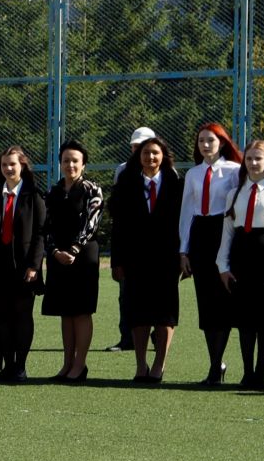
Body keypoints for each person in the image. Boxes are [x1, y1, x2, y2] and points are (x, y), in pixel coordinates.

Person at [216, 140, 264, 389]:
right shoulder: (235, 192)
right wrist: (223, 265)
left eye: (258, 159)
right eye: (248, 159)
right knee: (245, 319)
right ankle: (248, 372)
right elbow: (227, 230)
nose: (253, 163)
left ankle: (260, 371)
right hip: (241, 259)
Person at [108, 135, 184, 382]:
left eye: (155, 153)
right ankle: (141, 365)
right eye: (145, 153)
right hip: (135, 261)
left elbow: (185, 224)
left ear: (163, 156)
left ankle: (159, 366)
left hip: (167, 260)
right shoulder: (125, 185)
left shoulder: (176, 184)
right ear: (138, 157)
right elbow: (117, 226)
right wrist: (116, 261)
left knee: (165, 315)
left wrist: (184, 256)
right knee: (137, 314)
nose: (151, 157)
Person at [0, 146, 48, 382]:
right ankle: (8, 365)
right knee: (2, 317)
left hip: (24, 268)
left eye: (12, 164)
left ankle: (20, 365)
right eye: (4, 165)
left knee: (22, 315)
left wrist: (34, 266)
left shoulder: (34, 195)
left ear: (22, 167)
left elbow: (40, 233)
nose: (8, 169)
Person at [181, 124, 243, 385]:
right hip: (200, 235)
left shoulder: (234, 170)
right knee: (205, 303)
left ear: (222, 142)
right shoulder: (193, 174)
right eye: (201, 141)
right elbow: (186, 213)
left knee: (222, 302)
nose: (205, 145)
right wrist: (183, 249)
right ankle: (215, 365)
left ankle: (217, 364)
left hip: (224, 231)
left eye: (211, 140)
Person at [41, 142, 104, 382]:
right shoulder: (53, 191)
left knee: (81, 311)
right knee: (65, 313)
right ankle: (67, 364)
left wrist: (75, 248)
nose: (70, 165)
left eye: (75, 160)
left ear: (83, 164)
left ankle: (80, 365)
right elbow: (45, 225)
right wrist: (55, 250)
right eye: (66, 160)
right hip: (59, 258)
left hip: (84, 257)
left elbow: (92, 222)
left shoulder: (92, 189)